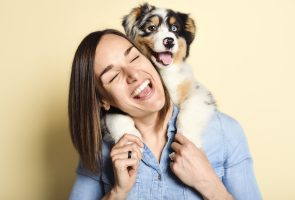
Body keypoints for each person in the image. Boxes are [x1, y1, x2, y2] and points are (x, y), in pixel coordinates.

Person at [68, 29, 262, 200]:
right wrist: (117, 192)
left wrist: (209, 185)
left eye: (135, 57)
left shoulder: (225, 131)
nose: (133, 74)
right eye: (114, 76)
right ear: (104, 100)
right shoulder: (99, 149)